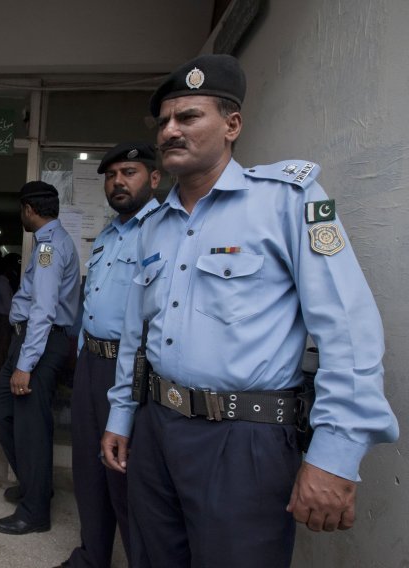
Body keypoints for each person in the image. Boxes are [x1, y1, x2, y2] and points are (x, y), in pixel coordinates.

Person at [101, 54, 398, 567]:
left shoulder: (287, 200)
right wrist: (122, 414)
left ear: (231, 125)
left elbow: (348, 329)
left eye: (188, 116)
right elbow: (136, 336)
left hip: (244, 441)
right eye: (164, 121)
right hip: (156, 432)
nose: (170, 130)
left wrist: (336, 453)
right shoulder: (153, 225)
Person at [56, 143, 160, 568]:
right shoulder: (106, 233)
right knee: (88, 469)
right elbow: (90, 301)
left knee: (126, 475)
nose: (118, 181)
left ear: (154, 178)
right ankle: (92, 555)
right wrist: (81, 352)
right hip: (92, 365)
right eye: (112, 174)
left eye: (130, 172)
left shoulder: (163, 230)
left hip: (132, 368)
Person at [0, 181, 80, 535]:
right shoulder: (50, 242)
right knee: (1, 408)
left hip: (38, 344)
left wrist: (25, 365)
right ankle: (35, 484)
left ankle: (35, 510)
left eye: (21, 210)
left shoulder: (49, 248)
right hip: (31, 341)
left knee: (32, 428)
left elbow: (43, 309)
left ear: (29, 209)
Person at [0, 253, 21, 383]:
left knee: (2, 350)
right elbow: (8, 306)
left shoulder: (4, 282)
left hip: (4, 319)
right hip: (3, 319)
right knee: (0, 351)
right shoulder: (2, 282)